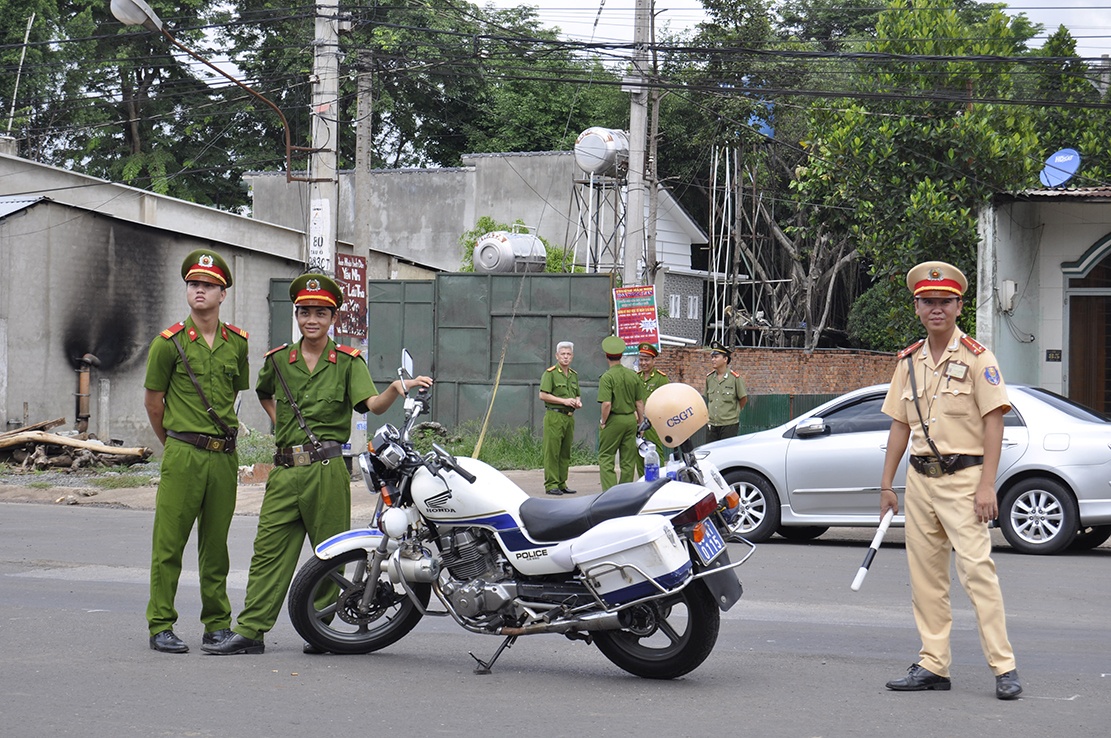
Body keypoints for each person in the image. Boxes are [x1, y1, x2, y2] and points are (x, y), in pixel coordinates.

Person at [203, 273, 432, 655]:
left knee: (331, 553)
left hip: (327, 472)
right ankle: (251, 631)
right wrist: (282, 424)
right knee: (267, 553)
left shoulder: (346, 362)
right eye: (305, 312)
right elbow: (264, 393)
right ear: (296, 314)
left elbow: (370, 406)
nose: (312, 319)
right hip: (285, 472)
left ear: (333, 318)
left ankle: (320, 628)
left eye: (321, 313)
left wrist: (394, 388)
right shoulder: (278, 361)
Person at [878, 261, 1022, 701]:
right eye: (928, 302)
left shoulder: (980, 358)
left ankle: (1004, 667)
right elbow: (900, 426)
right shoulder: (908, 361)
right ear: (917, 307)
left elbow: (994, 423)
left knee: (978, 573)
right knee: (926, 579)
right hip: (920, 482)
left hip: (966, 480)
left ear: (959, 305)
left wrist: (987, 486)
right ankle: (933, 664)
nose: (936, 308)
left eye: (944, 301)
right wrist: (887, 484)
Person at [143, 249, 249, 654]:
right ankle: (160, 624)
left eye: (207, 285)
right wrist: (173, 443)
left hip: (223, 456)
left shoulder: (235, 343)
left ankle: (217, 625)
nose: (199, 290)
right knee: (169, 543)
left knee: (216, 545)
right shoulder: (167, 344)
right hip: (183, 451)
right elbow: (154, 403)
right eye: (193, 284)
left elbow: (235, 391)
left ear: (223, 293)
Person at [597, 336, 646, 490]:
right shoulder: (633, 375)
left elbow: (606, 404)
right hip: (631, 420)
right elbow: (639, 403)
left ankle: (610, 493)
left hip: (614, 420)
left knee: (606, 457)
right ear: (621, 355)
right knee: (628, 459)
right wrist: (641, 424)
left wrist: (603, 422)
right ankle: (624, 492)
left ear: (606, 355)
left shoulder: (607, 377)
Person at [539, 341, 582, 496]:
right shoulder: (550, 373)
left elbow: (577, 393)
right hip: (554, 415)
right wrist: (563, 401)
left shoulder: (573, 375)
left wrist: (577, 401)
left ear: (572, 356)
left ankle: (562, 483)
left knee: (565, 452)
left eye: (568, 354)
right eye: (563, 354)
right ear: (557, 356)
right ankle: (551, 484)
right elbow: (543, 395)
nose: (565, 357)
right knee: (552, 451)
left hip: (569, 417)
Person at [634, 342, 670, 476]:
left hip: (653, 423)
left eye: (647, 360)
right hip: (637, 422)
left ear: (654, 361)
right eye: (641, 360)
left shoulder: (661, 378)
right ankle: (642, 481)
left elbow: (666, 400)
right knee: (638, 452)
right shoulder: (636, 378)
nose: (643, 363)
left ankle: (659, 480)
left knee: (655, 452)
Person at [705, 340, 748, 442]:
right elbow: (708, 399)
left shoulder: (735, 378)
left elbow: (743, 398)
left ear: (725, 359)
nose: (713, 360)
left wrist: (734, 413)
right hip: (712, 425)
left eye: (716, 357)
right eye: (712, 357)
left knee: (726, 454)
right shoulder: (709, 378)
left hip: (729, 425)